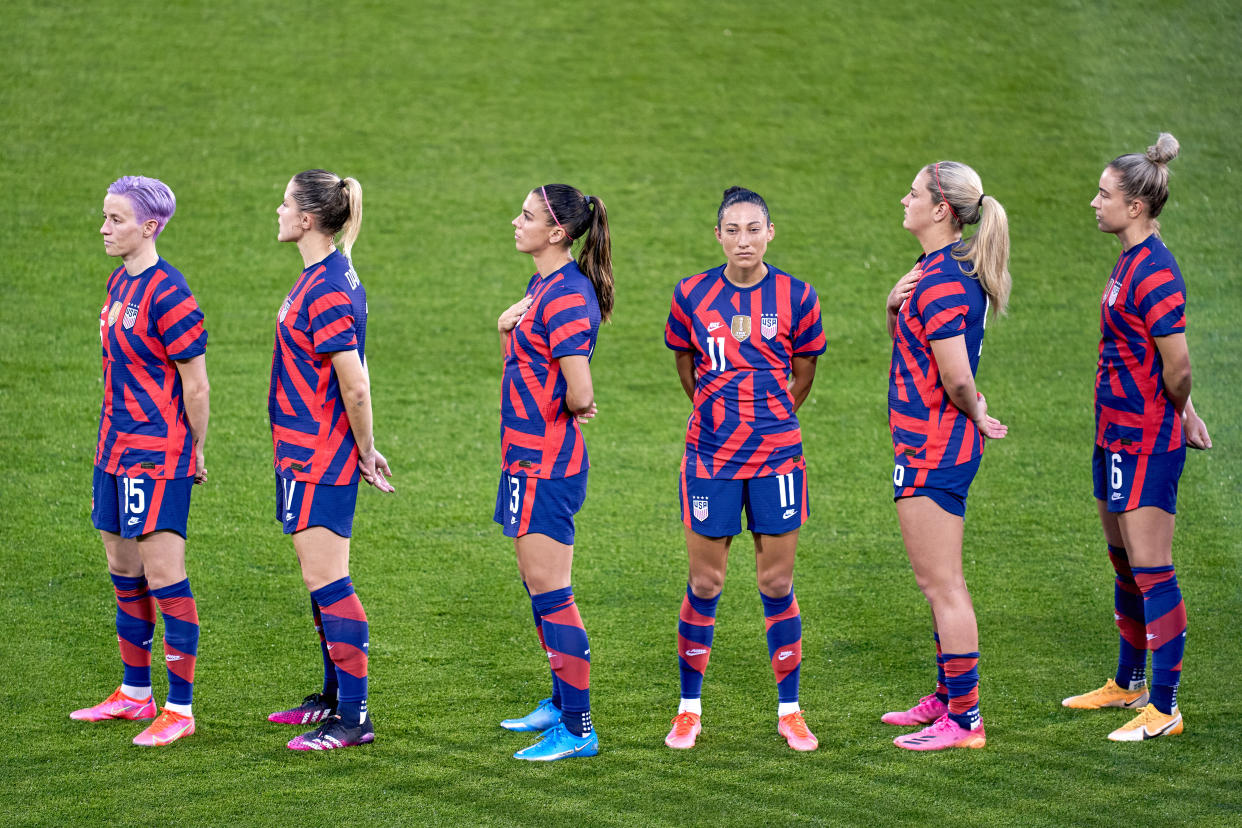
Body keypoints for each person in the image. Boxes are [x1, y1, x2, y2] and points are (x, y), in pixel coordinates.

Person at [662, 186, 826, 752]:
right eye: (732, 230)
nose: (743, 240)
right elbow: (687, 368)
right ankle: (688, 711)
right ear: (718, 236)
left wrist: (769, 420)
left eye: (753, 228)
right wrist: (717, 413)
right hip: (710, 459)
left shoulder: (798, 297)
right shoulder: (691, 294)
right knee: (706, 582)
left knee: (776, 582)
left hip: (777, 457)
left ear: (770, 232)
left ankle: (790, 711)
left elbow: (802, 376)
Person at [1061, 133, 1210, 741]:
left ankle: (1166, 707)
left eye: (1104, 194)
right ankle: (1129, 684)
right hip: (1113, 432)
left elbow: (1178, 366)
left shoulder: (1155, 272)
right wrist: (1187, 410)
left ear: (1137, 206)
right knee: (1123, 560)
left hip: (1145, 440)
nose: (1095, 202)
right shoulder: (1128, 259)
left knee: (1152, 568)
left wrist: (1180, 410)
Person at [71, 175, 210, 747]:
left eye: (116, 220)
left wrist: (195, 449)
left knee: (164, 577)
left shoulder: (170, 294)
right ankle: (134, 694)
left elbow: (196, 387)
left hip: (156, 456)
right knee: (124, 570)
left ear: (149, 227)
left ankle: (180, 708)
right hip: (114, 449)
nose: (105, 229)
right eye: (105, 218)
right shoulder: (117, 283)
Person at [881, 161, 1010, 751]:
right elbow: (916, 348)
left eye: (913, 193)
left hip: (934, 446)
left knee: (944, 586)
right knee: (936, 581)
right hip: (931, 442)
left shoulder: (940, 278)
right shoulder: (943, 268)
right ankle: (947, 694)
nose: (902, 199)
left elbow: (956, 376)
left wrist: (977, 411)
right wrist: (890, 308)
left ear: (940, 210)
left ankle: (965, 719)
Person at [265, 169, 394, 751]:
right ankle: (330, 699)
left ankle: (355, 720)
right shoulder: (321, 274)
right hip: (301, 452)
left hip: (320, 456)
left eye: (287, 203)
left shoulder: (328, 286)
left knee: (330, 581)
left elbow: (356, 385)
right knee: (318, 583)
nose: (279, 210)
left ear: (309, 218)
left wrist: (366, 452)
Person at [495, 184, 613, 761]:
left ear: (558, 233)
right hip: (523, 459)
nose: (515, 222)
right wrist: (502, 329)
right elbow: (521, 370)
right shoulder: (542, 285)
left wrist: (574, 399)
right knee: (537, 588)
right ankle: (559, 698)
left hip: (547, 466)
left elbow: (580, 388)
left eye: (527, 216)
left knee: (553, 593)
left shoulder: (566, 296)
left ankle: (578, 726)